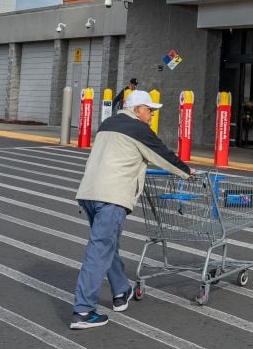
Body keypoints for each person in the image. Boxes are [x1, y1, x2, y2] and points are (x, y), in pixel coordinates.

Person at [70, 90, 192, 330]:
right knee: (100, 249)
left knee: (107, 245)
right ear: (137, 110)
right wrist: (187, 172)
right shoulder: (138, 129)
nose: (151, 115)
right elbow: (163, 156)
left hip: (89, 193)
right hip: (111, 197)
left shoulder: (108, 123)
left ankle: (120, 291)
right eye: (149, 110)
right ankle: (83, 311)